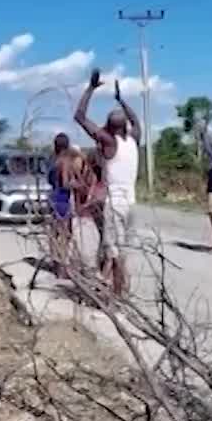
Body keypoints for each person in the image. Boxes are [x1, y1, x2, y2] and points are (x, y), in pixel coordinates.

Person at [73, 71, 141, 295]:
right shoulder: (134, 139)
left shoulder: (108, 142)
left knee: (113, 251)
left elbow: (80, 117)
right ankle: (117, 288)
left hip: (116, 204)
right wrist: (121, 100)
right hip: (132, 204)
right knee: (121, 250)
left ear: (110, 128)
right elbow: (136, 120)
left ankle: (118, 292)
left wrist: (90, 89)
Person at [48, 133, 75, 272]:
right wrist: (76, 184)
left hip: (53, 196)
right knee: (65, 233)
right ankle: (61, 265)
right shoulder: (65, 161)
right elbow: (65, 183)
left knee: (54, 231)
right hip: (63, 198)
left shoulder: (54, 160)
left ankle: (54, 261)